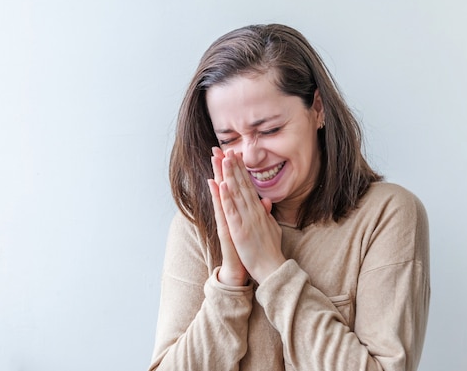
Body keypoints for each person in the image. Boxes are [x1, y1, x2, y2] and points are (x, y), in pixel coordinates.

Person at [148, 24, 430, 371]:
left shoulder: (387, 215)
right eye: (229, 139)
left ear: (318, 109)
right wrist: (230, 281)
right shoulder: (197, 226)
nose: (250, 156)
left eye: (269, 130)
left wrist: (271, 268)